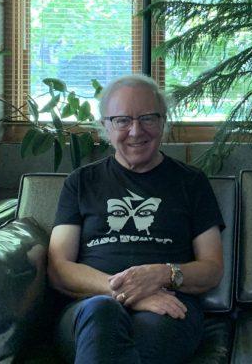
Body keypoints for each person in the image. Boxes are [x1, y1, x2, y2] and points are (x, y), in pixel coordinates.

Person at [49, 74, 225, 364]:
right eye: (122, 120)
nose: (135, 131)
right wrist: (129, 292)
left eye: (147, 118)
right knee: (101, 312)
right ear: (105, 126)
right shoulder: (80, 182)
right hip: (89, 307)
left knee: (144, 336)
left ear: (163, 122)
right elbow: (59, 268)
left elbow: (212, 269)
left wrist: (162, 274)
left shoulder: (191, 182)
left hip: (167, 307)